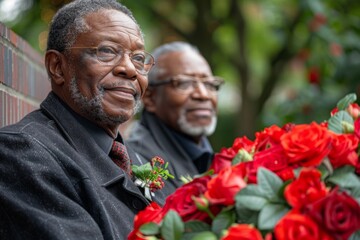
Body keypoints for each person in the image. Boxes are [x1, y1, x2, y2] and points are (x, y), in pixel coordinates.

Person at [0, 0, 159, 239]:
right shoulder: (21, 154)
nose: (129, 69)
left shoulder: (133, 157)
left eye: (138, 58)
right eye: (107, 51)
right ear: (57, 67)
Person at [127, 41, 224, 197]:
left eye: (209, 84)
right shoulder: (138, 163)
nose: (203, 94)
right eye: (184, 83)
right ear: (150, 97)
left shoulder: (207, 155)